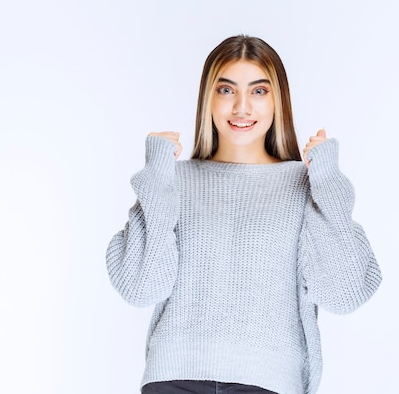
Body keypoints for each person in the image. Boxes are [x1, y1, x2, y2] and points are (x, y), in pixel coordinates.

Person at [106, 35, 382, 394]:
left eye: (258, 91)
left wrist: (327, 179)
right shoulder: (175, 181)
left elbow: (345, 294)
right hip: (174, 380)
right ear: (208, 99)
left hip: (268, 384)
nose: (241, 107)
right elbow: (139, 288)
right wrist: (157, 175)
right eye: (226, 90)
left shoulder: (304, 185)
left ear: (277, 100)